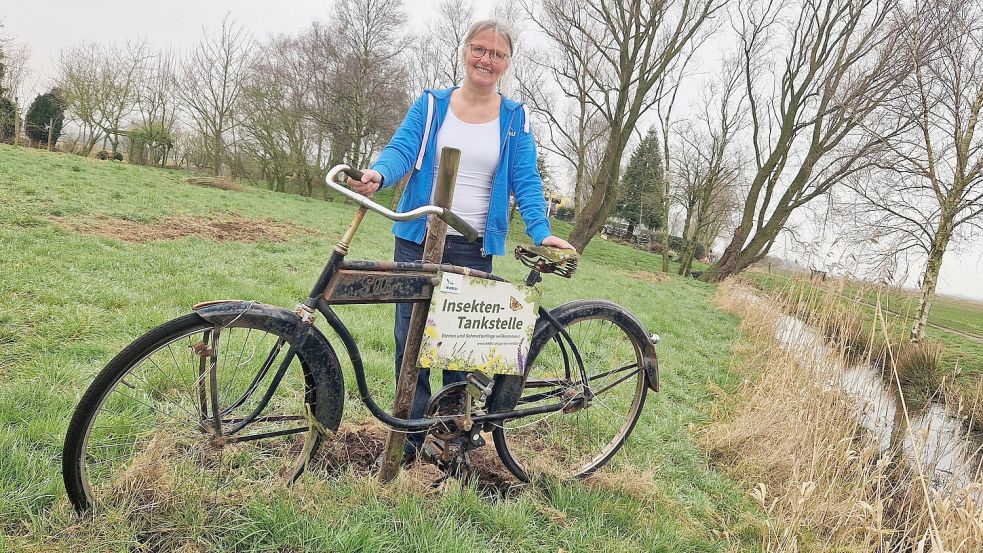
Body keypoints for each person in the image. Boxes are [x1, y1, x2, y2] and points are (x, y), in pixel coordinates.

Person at [346, 19, 574, 459]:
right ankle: (410, 439)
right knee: (409, 343)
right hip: (418, 238)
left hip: (472, 245)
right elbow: (402, 149)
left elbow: (525, 180)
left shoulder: (515, 119)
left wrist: (543, 232)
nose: (486, 60)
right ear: (465, 51)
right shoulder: (432, 105)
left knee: (458, 346)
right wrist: (378, 173)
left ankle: (452, 438)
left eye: (497, 54)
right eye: (479, 49)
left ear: (507, 64)